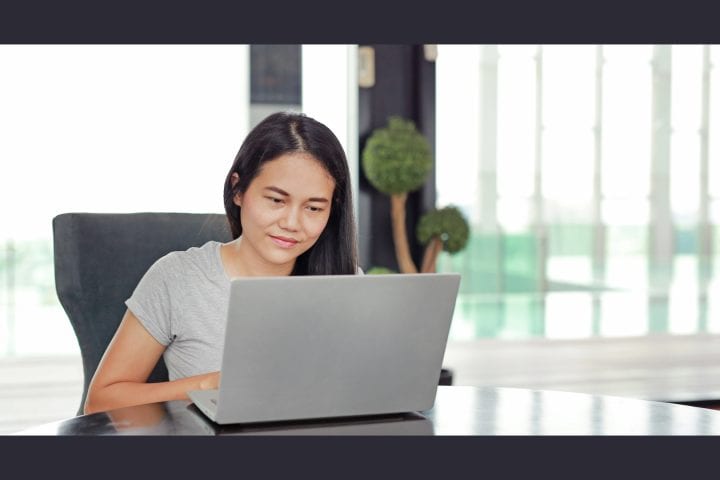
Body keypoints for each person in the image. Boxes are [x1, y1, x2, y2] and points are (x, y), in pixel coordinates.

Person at [84, 111, 359, 414]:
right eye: (276, 201)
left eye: (313, 208)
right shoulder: (178, 278)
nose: (292, 223)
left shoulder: (345, 281)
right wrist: (208, 386)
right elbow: (101, 401)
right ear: (238, 189)